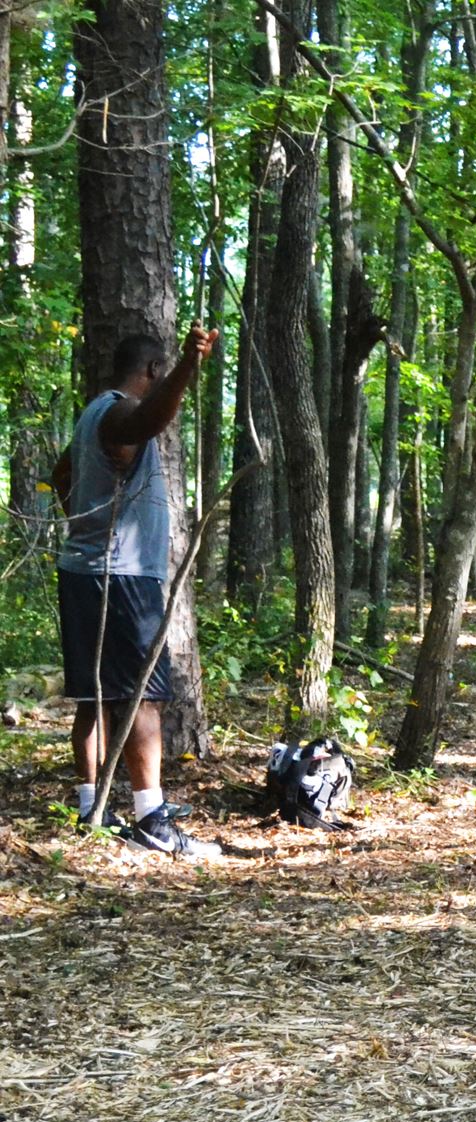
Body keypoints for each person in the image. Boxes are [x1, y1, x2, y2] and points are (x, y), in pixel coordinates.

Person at [54, 325, 220, 860]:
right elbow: (146, 421)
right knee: (142, 696)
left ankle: (91, 811)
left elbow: (62, 473)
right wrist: (188, 368)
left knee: (95, 696)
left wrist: (87, 524)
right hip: (121, 577)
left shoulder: (90, 414)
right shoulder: (120, 412)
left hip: (86, 571)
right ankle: (151, 818)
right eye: (161, 372)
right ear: (151, 371)